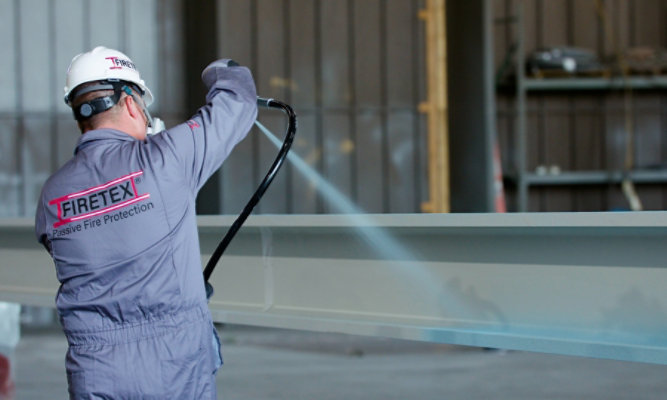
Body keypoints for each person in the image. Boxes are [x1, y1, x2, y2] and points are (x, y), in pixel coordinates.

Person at [34, 46, 257, 399]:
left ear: (79, 116)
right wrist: (223, 71)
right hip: (174, 365)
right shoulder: (167, 158)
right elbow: (237, 104)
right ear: (132, 104)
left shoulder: (53, 194)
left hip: (94, 370)